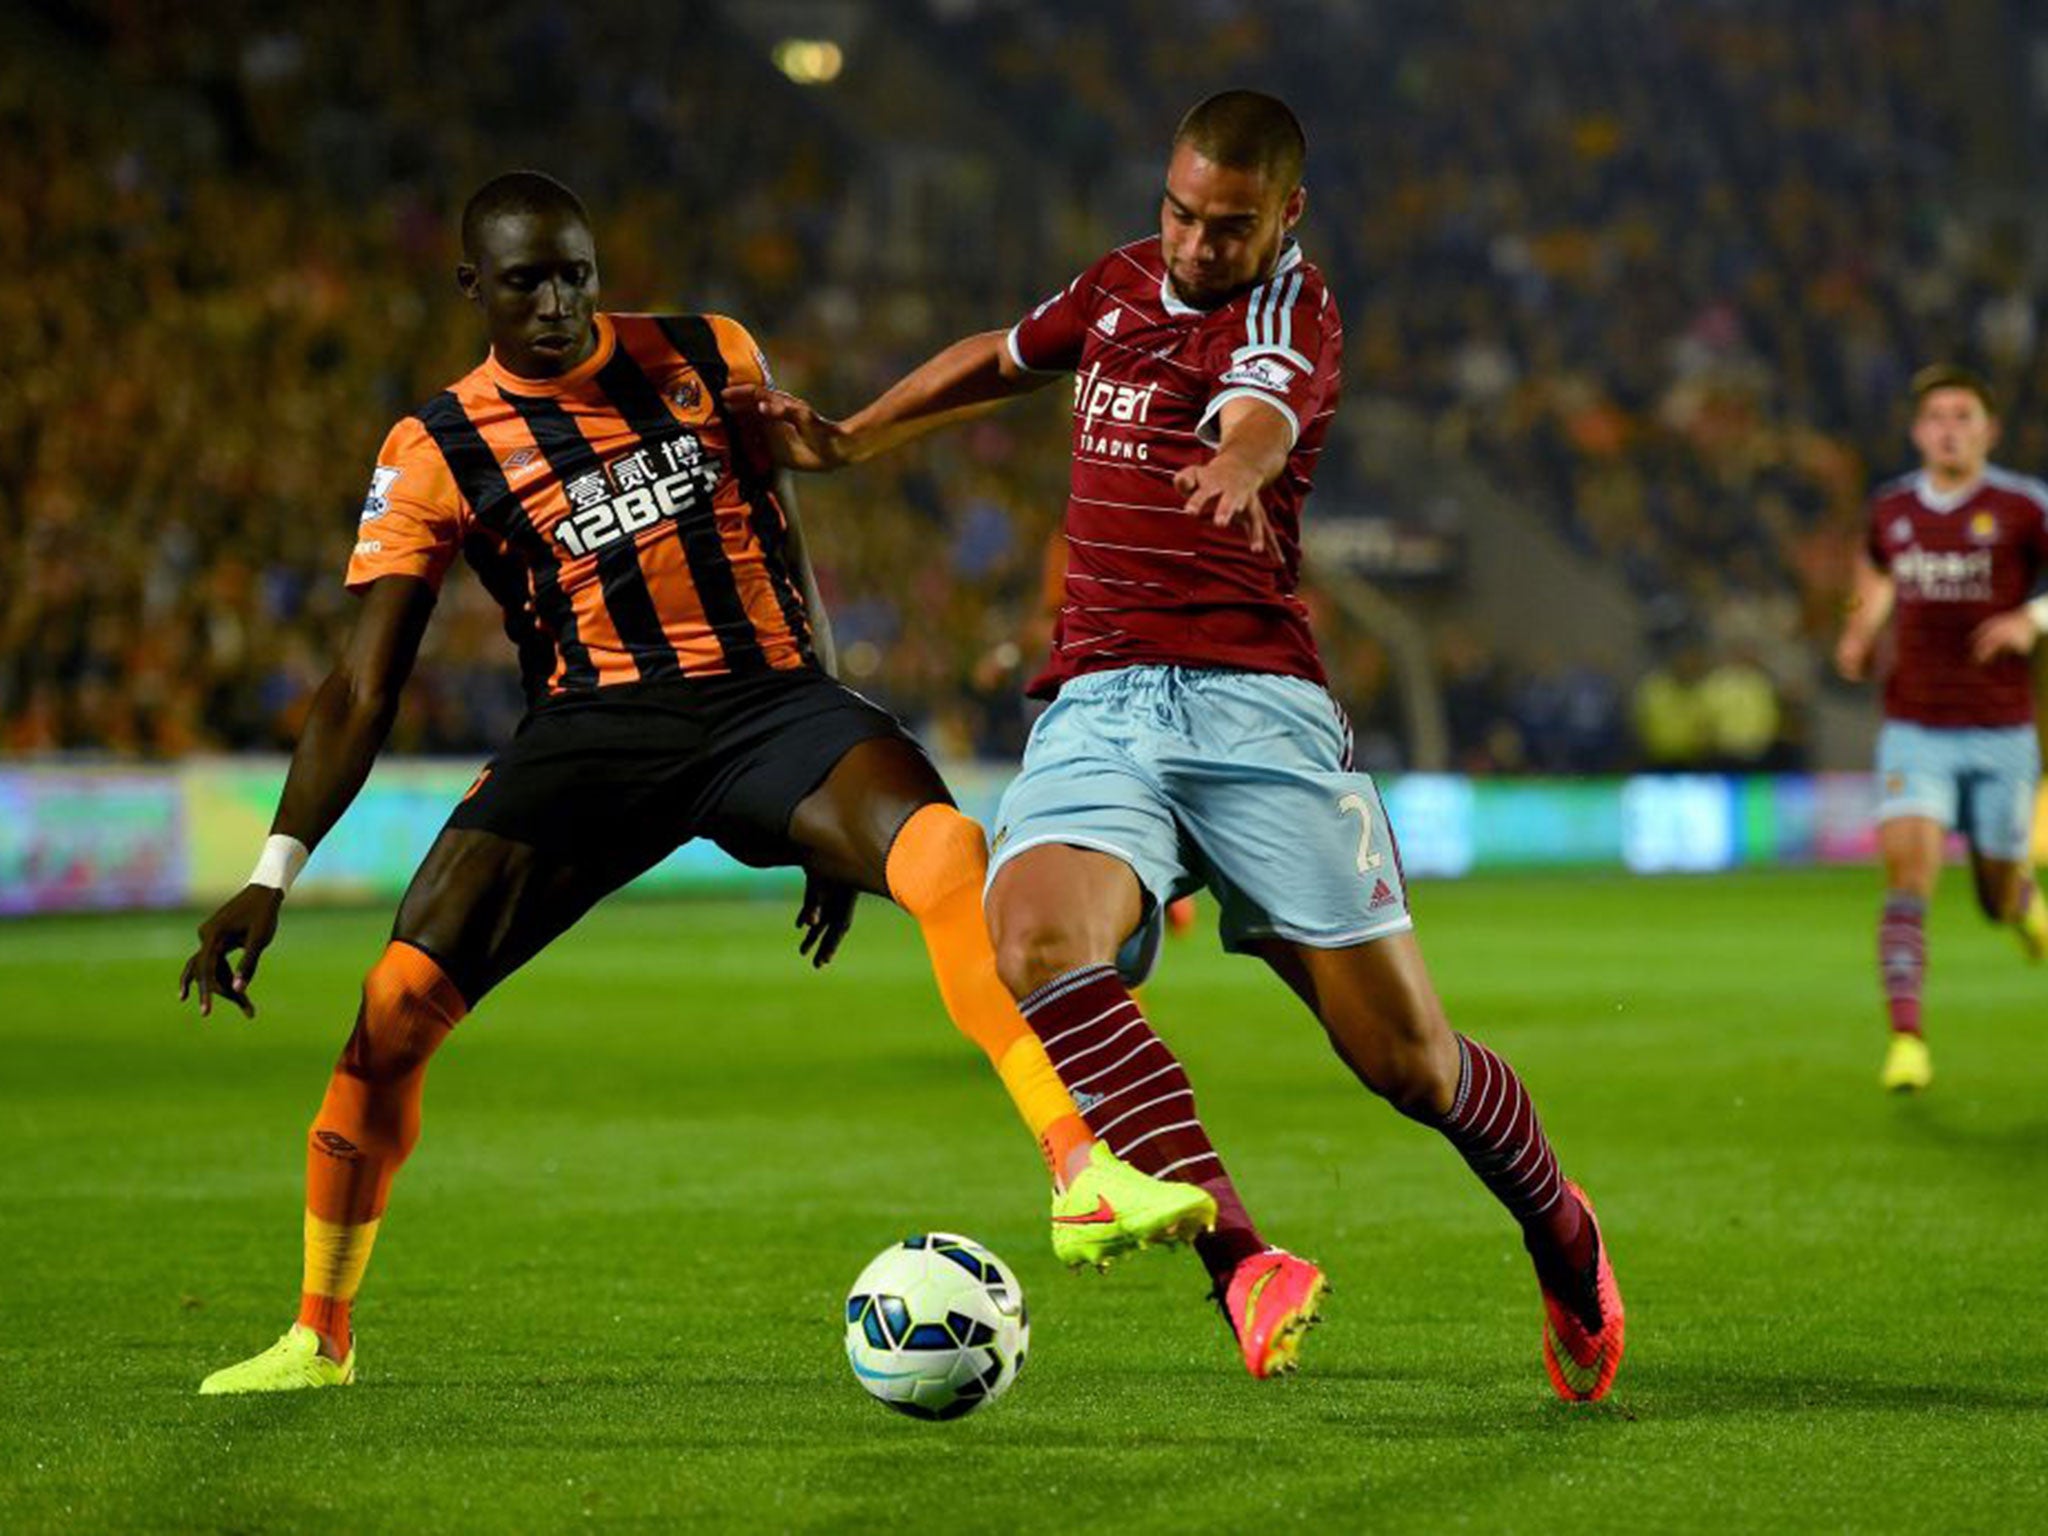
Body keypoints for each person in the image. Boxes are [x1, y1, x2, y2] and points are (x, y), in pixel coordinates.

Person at [179, 172, 1215, 1395]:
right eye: (526, 282)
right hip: (592, 734)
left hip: (771, 702)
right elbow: (363, 685)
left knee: (943, 854)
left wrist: (831, 752)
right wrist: (272, 872)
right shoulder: (433, 450)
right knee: (395, 1006)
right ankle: (319, 1335)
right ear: (473, 288)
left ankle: (1077, 1171)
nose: (559, 302)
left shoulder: (706, 353)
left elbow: (782, 543)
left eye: (575, 273)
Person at [728, 91, 1625, 1399]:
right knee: (1027, 932)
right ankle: (1247, 1263)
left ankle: (1561, 1229)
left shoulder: (1288, 317)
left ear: (1288, 218)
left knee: (1412, 1066)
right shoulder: (1119, 285)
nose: (1199, 245)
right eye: (1182, 215)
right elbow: (1002, 352)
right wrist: (860, 436)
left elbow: (1259, 408)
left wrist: (1242, 463)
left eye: (1231, 225)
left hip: (1260, 713)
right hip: (1101, 702)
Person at [1834, 365, 2048, 1093]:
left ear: (1988, 429)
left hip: (2001, 730)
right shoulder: (1892, 510)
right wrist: (1862, 630)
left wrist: (2030, 617)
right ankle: (1907, 1039)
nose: (1949, 428)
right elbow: (1877, 570)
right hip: (1915, 724)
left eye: (1964, 415)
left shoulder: (2023, 507)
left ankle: (2020, 903)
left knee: (1991, 893)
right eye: (1936, 417)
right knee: (1908, 879)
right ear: (1918, 431)